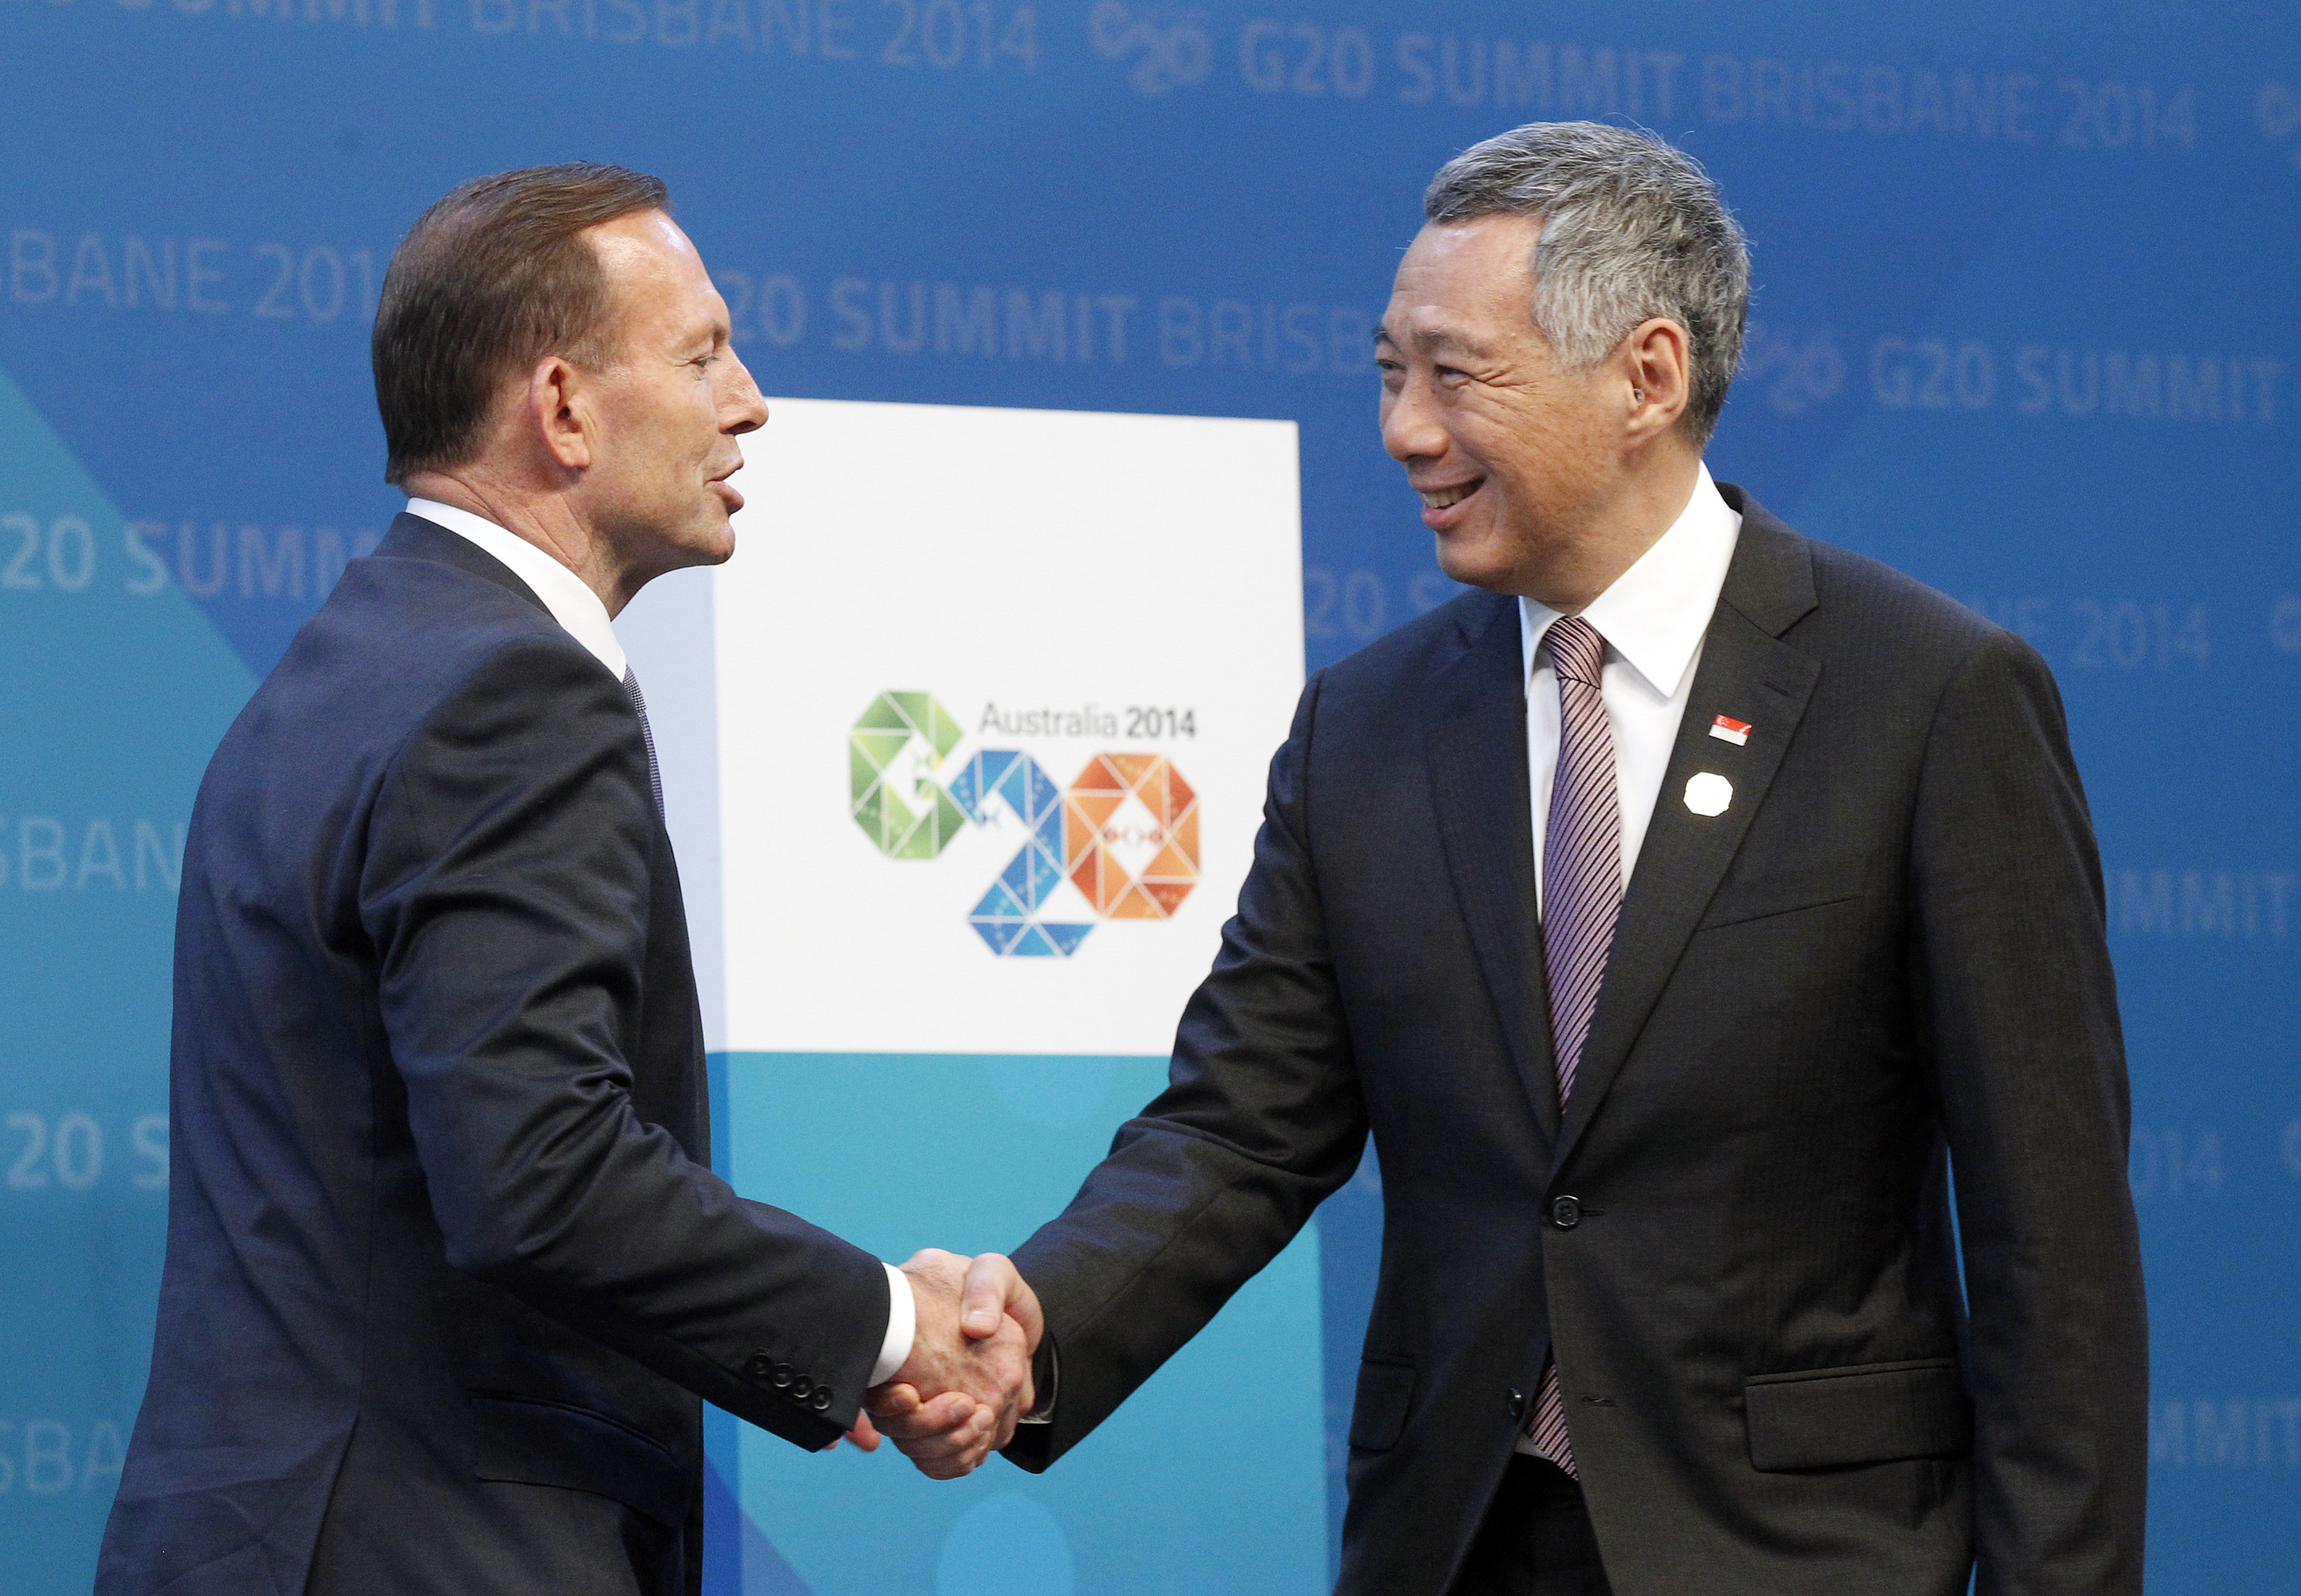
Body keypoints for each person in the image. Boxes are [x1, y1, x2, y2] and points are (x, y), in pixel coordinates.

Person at [877, 122, 2147, 1594]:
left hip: (1805, 1552)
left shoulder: (1925, 696)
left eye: (1453, 372)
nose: (1404, 428)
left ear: (1647, 378)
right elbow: (1240, 1126)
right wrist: (1029, 1325)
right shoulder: (1366, 726)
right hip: (1458, 1542)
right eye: (1387, 371)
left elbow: (2050, 1238)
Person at [97, 164, 1035, 1596]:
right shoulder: (511, 693)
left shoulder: (341, 668)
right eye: (705, 352)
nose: (752, 403)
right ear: (563, 408)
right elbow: (539, 1178)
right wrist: (894, 1327)